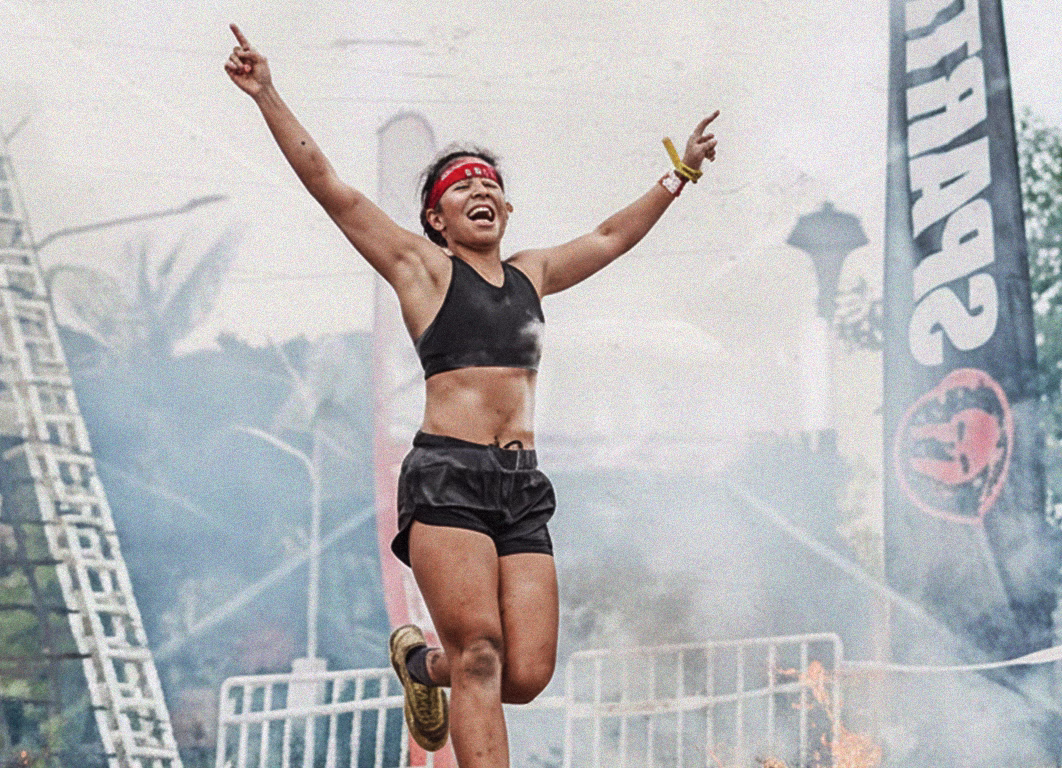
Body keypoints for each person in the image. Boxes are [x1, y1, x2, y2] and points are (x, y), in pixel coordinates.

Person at [225, 23, 718, 767]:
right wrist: (267, 92)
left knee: (524, 673)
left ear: (507, 213)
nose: (480, 189)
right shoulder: (419, 270)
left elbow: (613, 235)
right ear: (437, 218)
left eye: (491, 183)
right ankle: (451, 679)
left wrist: (677, 175)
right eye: (461, 186)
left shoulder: (533, 274)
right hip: (447, 476)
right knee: (481, 654)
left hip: (520, 486)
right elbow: (331, 185)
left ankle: (422, 668)